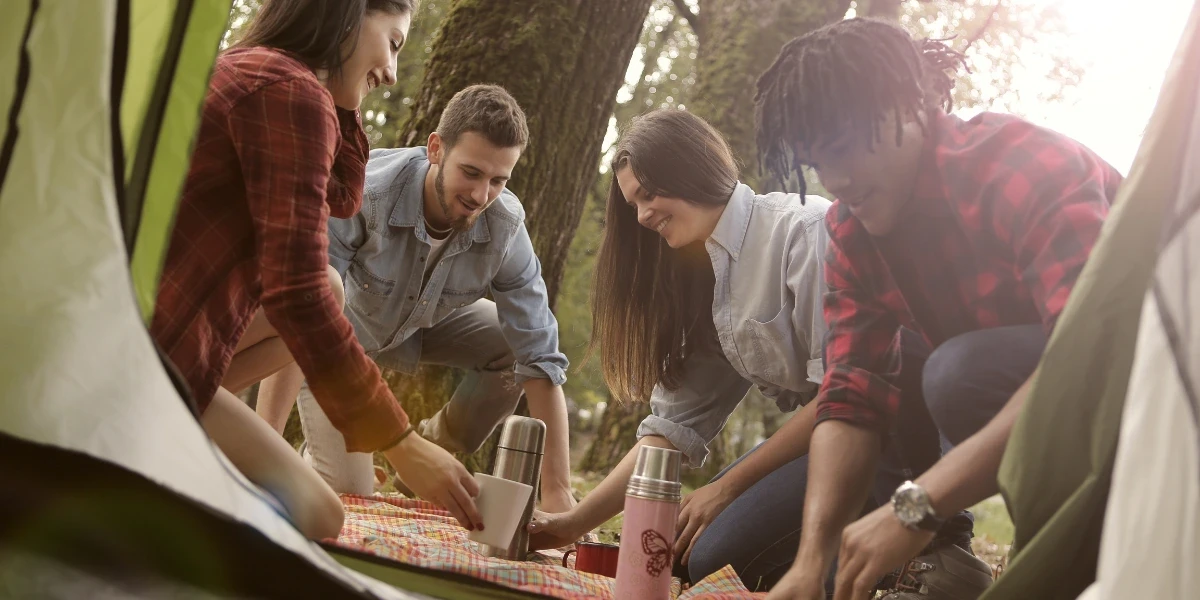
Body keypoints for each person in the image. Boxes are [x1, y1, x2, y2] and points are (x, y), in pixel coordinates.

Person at [751, 18, 1121, 600]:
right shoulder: (850, 232)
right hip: (1060, 399)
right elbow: (851, 398)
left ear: (913, 106)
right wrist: (809, 563)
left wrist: (914, 509)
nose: (839, 180)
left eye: (847, 147)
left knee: (959, 372)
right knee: (944, 370)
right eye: (820, 162)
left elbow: (1091, 352)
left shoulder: (1020, 166)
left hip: (1159, 372)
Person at [150, 0, 485, 539]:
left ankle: (174, 426)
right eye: (393, 43)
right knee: (320, 516)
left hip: (160, 334)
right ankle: (152, 469)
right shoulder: (292, 94)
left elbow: (340, 197)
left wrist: (341, 88)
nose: (394, 72)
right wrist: (400, 442)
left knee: (334, 286)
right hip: (156, 354)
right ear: (347, 13)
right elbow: (295, 291)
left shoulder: (265, 70)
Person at [527, 108, 836, 589]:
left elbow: (847, 392)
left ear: (689, 168)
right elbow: (670, 431)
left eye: (648, 195)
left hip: (880, 435)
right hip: (822, 444)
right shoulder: (711, 284)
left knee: (718, 555)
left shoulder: (803, 232)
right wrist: (570, 524)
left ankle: (912, 552)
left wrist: (725, 487)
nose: (643, 216)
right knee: (682, 551)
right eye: (633, 205)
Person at [253, 84, 577, 513]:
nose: (481, 196)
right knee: (351, 496)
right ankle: (314, 461)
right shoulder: (365, 195)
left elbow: (541, 357)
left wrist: (557, 490)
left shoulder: (505, 227)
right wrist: (259, 451)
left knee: (511, 339)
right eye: (472, 173)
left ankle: (430, 447)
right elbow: (300, 310)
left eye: (499, 180)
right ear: (437, 149)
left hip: (422, 328)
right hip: (336, 345)